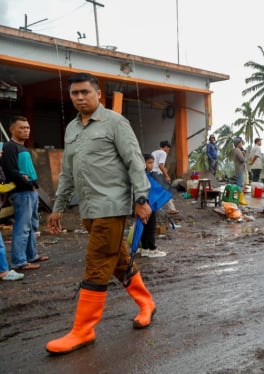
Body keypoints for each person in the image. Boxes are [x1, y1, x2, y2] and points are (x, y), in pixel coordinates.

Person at [45, 72, 156, 354]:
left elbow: (134, 162)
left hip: (112, 206)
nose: (79, 97)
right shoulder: (72, 129)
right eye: (74, 93)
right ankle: (146, 303)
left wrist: (141, 198)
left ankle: (83, 330)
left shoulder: (115, 123)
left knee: (96, 263)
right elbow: (68, 173)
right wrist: (58, 208)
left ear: (98, 95)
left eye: (85, 92)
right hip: (89, 209)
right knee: (118, 259)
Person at [1, 116, 49, 271]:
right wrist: (27, 183)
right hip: (21, 192)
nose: (26, 130)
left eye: (27, 127)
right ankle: (19, 261)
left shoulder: (23, 147)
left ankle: (31, 255)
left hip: (30, 191)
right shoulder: (10, 147)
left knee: (32, 224)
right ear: (12, 130)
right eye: (22, 128)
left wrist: (33, 185)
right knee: (22, 226)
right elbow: (11, 171)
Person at [140, 154, 167, 258]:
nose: (151, 165)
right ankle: (152, 249)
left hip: (143, 203)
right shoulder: (145, 175)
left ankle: (145, 248)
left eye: (152, 163)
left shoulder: (142, 174)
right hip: (148, 204)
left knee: (144, 226)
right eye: (149, 163)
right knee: (150, 226)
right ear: (143, 163)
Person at [151, 140, 179, 214]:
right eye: (168, 148)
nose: (168, 150)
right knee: (166, 190)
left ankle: (152, 207)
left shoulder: (154, 152)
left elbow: (156, 164)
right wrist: (166, 176)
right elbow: (160, 165)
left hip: (151, 173)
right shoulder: (163, 153)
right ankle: (172, 209)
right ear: (166, 147)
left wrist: (163, 170)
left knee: (155, 190)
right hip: (156, 174)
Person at [233, 137, 248, 205]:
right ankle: (240, 199)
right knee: (239, 185)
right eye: (241, 142)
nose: (242, 144)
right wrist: (244, 155)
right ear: (238, 144)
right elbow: (242, 159)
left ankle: (240, 198)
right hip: (240, 169)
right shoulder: (237, 150)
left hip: (239, 169)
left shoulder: (237, 150)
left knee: (240, 184)